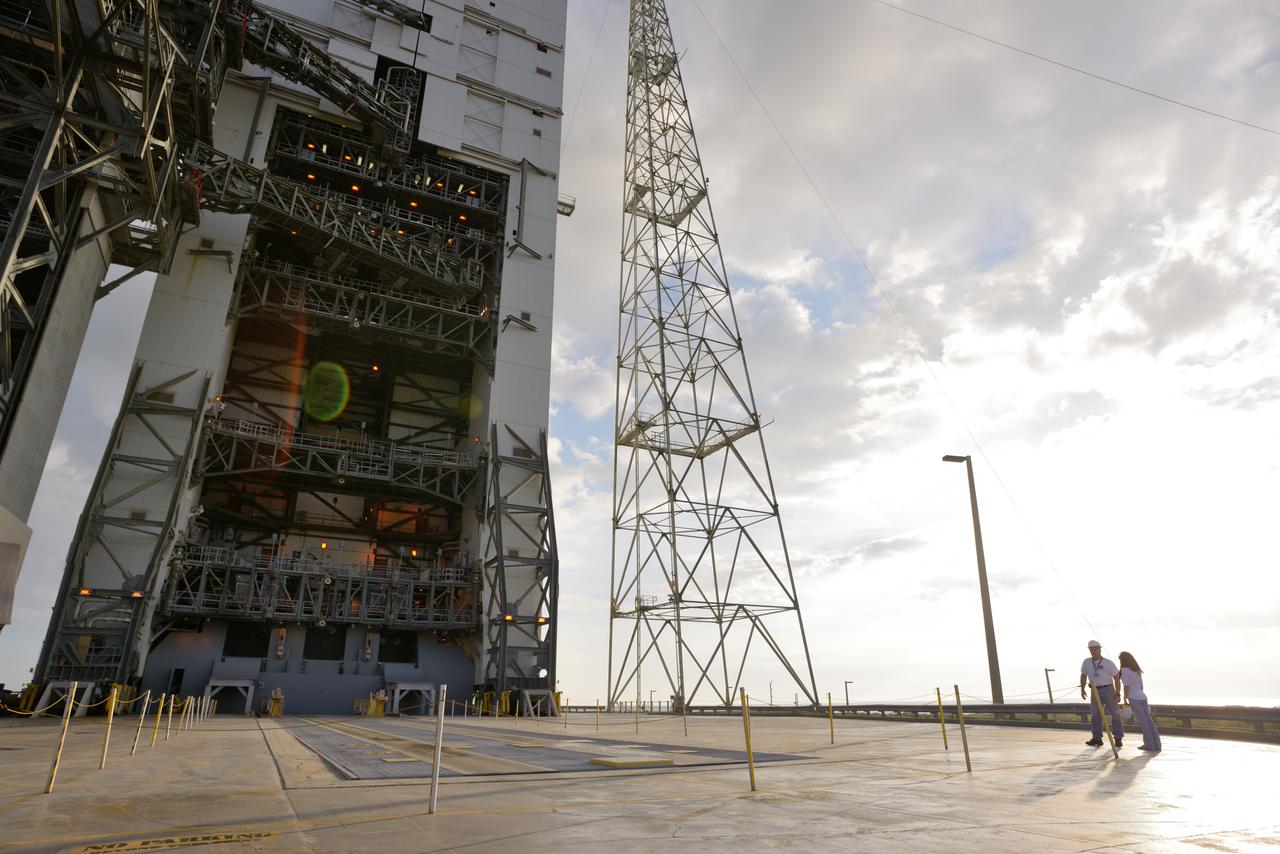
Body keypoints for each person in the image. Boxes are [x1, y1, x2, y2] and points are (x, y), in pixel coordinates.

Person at [1079, 640, 1124, 747]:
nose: (1093, 651)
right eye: (1091, 649)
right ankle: (1097, 738)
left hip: (1108, 689)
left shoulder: (1108, 663)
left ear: (1100, 649)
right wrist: (1082, 688)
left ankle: (1118, 737)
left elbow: (1116, 678)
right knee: (1095, 715)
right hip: (1094, 690)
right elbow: (1083, 675)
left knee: (1115, 713)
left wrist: (1117, 693)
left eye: (1095, 649)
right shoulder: (1087, 662)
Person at [1119, 651, 1161, 752]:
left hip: (1134, 697)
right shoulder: (1136, 670)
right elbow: (1141, 686)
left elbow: (1126, 685)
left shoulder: (1124, 670)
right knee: (1149, 721)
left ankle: (1149, 744)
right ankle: (1157, 744)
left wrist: (1125, 698)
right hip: (1142, 696)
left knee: (1143, 722)